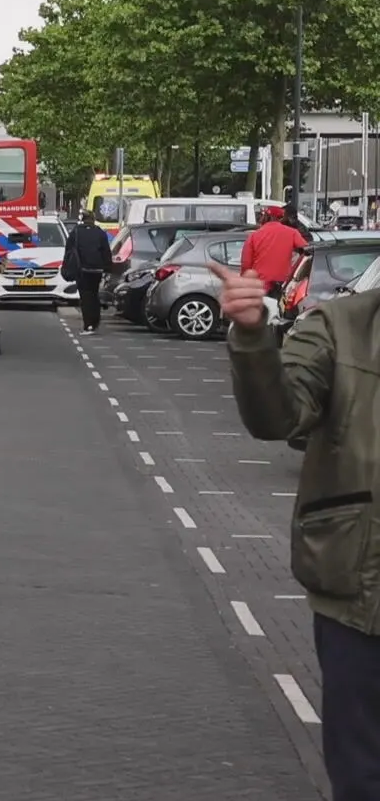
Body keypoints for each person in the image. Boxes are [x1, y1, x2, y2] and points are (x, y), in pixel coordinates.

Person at [215, 261, 380, 800]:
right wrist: (252, 335)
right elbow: (278, 416)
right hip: (363, 597)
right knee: (362, 775)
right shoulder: (340, 327)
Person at [61, 205, 113, 333]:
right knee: (94, 294)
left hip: (82, 269)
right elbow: (106, 252)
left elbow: (69, 251)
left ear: (82, 219)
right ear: (93, 219)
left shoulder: (76, 232)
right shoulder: (100, 233)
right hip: (97, 270)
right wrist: (107, 268)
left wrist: (67, 266)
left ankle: (88, 324)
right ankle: (95, 322)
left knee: (85, 297)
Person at [240, 204, 309, 295]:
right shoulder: (292, 233)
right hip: (283, 284)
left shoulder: (254, 236)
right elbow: (307, 251)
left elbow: (246, 263)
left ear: (266, 217)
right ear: (281, 218)